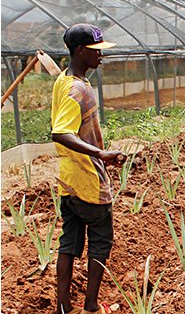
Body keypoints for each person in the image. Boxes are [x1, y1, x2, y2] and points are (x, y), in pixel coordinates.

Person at [52, 24, 123, 314]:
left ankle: (63, 307)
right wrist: (101, 153)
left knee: (68, 242)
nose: (101, 57)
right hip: (87, 179)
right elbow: (61, 132)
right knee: (101, 242)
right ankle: (91, 305)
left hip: (67, 179)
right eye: (96, 51)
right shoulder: (76, 89)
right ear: (80, 51)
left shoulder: (65, 80)